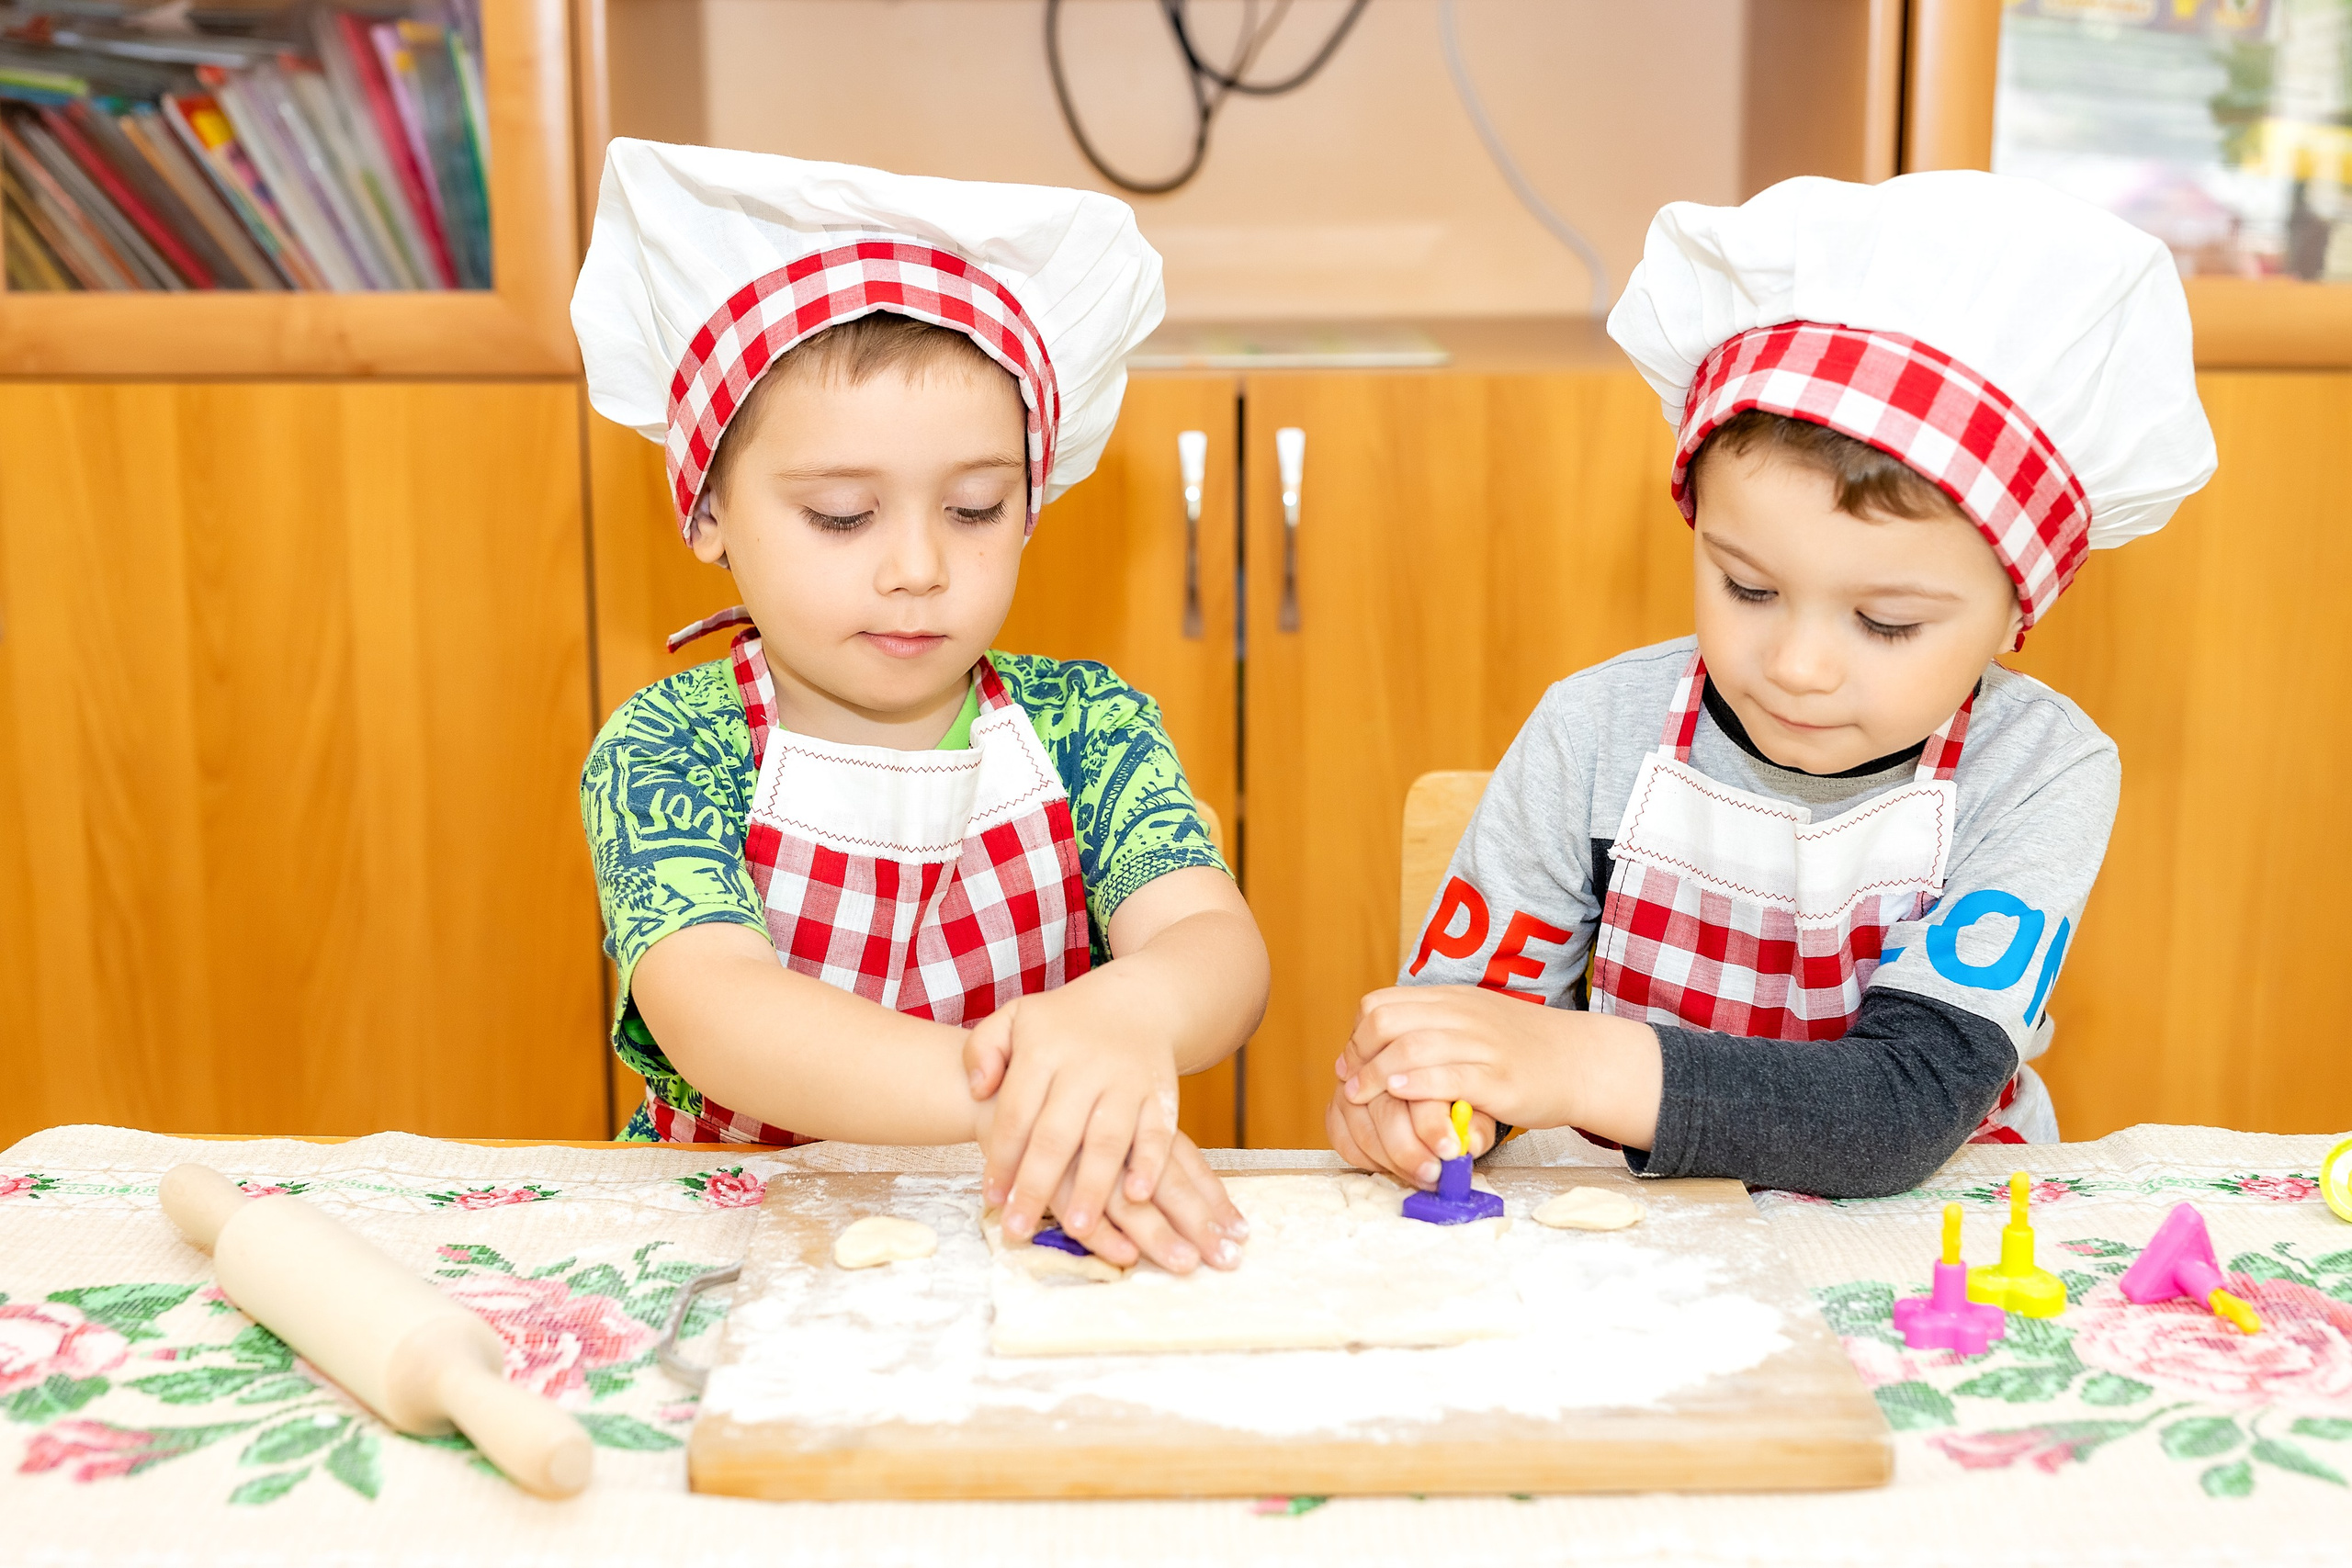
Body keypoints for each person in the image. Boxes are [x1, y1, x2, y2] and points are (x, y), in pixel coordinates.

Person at [1332, 172, 2216, 1199]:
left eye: (1885, 622)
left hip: (1927, 1245)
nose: (1796, 666)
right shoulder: (1593, 730)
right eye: (1746, 587)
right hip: (1635, 1230)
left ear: (2017, 609)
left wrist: (1567, 1060)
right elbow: (1466, 1036)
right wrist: (1420, 1102)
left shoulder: (2038, 771)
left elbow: (1902, 1107)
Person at [573, 141, 1268, 1270]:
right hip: (739, 1236)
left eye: (975, 508)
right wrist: (1018, 1092)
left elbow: (1211, 943)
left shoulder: (1087, 725)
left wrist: (1127, 1015)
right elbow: (720, 1010)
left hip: (1025, 1223)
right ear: (707, 513)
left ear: (1031, 505)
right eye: (844, 515)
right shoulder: (672, 745)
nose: (916, 567)